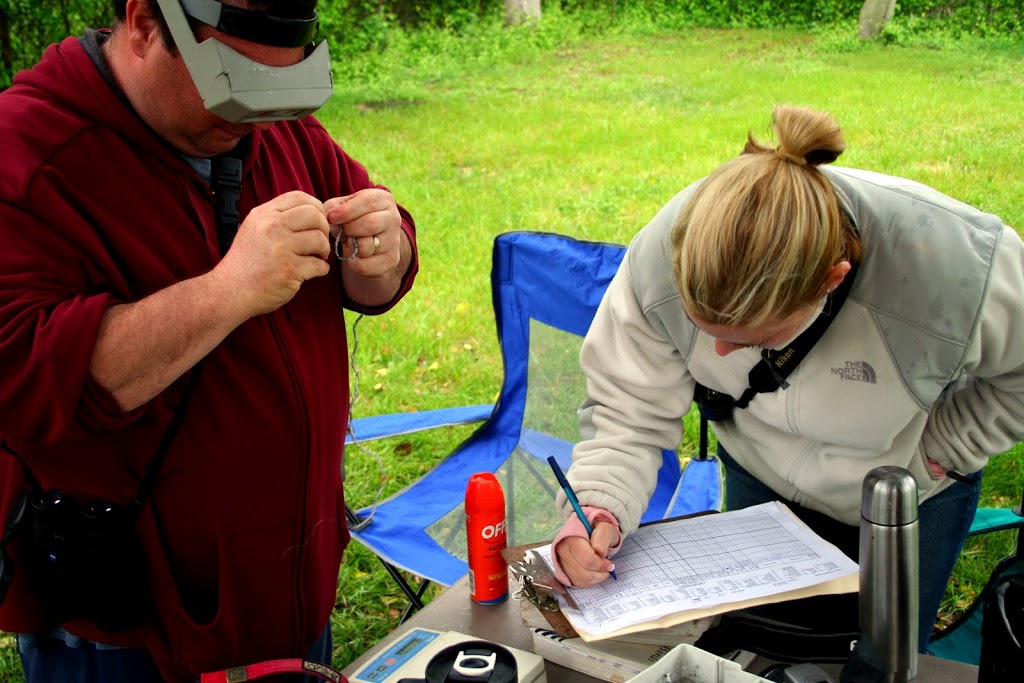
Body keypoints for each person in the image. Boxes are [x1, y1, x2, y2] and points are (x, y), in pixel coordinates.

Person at [0, 0, 417, 681]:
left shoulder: (276, 129)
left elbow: (377, 263)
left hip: (289, 589)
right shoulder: (25, 153)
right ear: (144, 22)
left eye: (277, 89)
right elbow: (23, 377)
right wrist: (228, 290)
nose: (260, 119)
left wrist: (383, 256)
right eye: (235, 82)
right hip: (129, 633)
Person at [551, 104, 1024, 653]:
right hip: (759, 474)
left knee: (884, 660)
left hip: (904, 492)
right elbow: (627, 408)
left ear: (831, 281)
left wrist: (947, 445)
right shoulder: (663, 254)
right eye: (704, 328)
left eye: (754, 338)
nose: (720, 353)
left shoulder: (958, 265)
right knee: (755, 650)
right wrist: (599, 505)